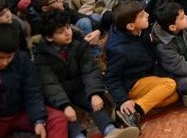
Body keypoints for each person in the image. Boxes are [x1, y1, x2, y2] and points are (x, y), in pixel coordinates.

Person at [33, 10, 139, 138]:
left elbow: (90, 69)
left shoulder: (79, 43)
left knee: (96, 102)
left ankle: (111, 131)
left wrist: (94, 93)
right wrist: (64, 105)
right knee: (64, 114)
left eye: (68, 27)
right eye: (61, 32)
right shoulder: (41, 55)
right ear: (49, 37)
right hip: (57, 92)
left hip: (79, 86)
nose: (67, 33)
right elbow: (50, 83)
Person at [0, 24, 68, 138]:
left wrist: (38, 119)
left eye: (9, 57)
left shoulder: (22, 59)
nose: (5, 62)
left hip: (23, 112)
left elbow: (32, 91)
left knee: (58, 118)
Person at [104, 1, 179, 129]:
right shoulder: (118, 49)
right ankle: (135, 111)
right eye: (142, 15)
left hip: (146, 75)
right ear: (131, 26)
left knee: (174, 96)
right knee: (170, 84)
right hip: (132, 83)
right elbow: (112, 78)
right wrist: (123, 100)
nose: (148, 15)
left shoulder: (141, 30)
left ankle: (126, 110)